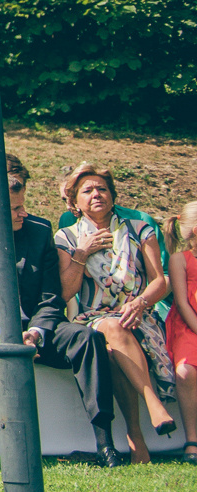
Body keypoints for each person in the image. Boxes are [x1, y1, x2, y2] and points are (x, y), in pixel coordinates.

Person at [0, 157, 117, 471]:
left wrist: (35, 332)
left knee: (86, 338)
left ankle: (105, 444)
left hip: (37, 326)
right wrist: (5, 332)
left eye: (23, 205)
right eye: (16, 208)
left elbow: (50, 297)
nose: (24, 212)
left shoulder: (38, 231)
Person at [57, 165, 179, 456]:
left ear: (112, 196)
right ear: (74, 202)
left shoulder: (140, 229)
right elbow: (66, 292)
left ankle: (136, 437)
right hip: (93, 317)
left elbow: (159, 280)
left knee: (113, 352)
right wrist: (82, 253)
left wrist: (140, 303)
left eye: (102, 189)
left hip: (139, 312)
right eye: (87, 191)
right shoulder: (67, 237)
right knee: (112, 326)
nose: (96, 194)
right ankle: (153, 402)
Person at [166, 200, 197, 455]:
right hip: (189, 325)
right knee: (186, 371)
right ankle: (192, 439)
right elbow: (183, 303)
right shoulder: (180, 259)